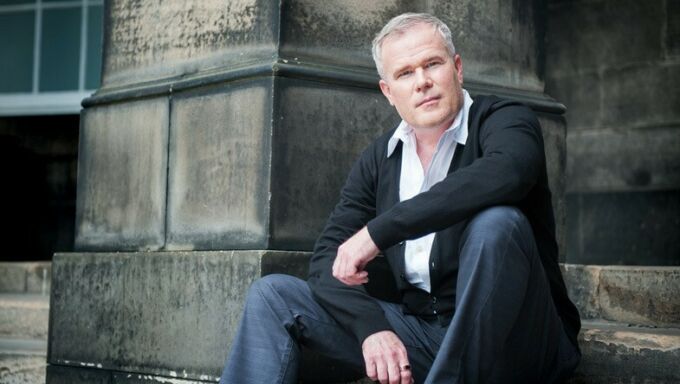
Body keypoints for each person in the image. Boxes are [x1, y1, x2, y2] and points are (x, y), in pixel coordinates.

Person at [219, 12, 581, 384]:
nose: (422, 82)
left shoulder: (504, 120)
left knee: (497, 224)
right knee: (273, 295)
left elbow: (508, 173)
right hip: (426, 336)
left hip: (521, 341)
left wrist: (379, 232)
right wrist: (371, 328)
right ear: (388, 92)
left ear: (457, 68)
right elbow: (328, 261)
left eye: (432, 64)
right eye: (405, 73)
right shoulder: (380, 159)